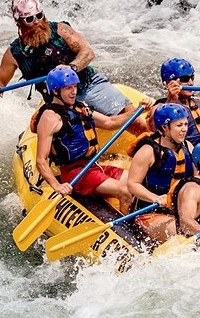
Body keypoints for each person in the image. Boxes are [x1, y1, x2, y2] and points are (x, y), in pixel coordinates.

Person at [0, 0, 146, 130]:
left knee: (135, 121)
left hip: (88, 85)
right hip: (57, 102)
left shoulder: (61, 30)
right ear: (19, 22)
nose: (36, 22)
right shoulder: (14, 53)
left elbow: (88, 53)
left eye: (39, 16)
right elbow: (0, 79)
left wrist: (71, 68)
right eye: (29, 19)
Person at [31, 67, 150, 213]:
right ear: (56, 91)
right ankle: (128, 230)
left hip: (93, 166)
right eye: (68, 88)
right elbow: (40, 160)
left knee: (134, 183)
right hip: (75, 173)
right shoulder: (50, 117)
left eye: (75, 86)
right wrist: (57, 185)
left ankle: (139, 216)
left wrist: (138, 110)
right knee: (125, 191)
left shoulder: (80, 108)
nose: (74, 91)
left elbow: (109, 122)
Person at [126, 103, 195, 243]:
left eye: (185, 125)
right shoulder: (148, 151)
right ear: (165, 127)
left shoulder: (188, 147)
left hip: (180, 210)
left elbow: (197, 178)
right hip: (149, 214)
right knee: (183, 234)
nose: (184, 130)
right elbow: (132, 184)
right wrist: (155, 198)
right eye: (179, 125)